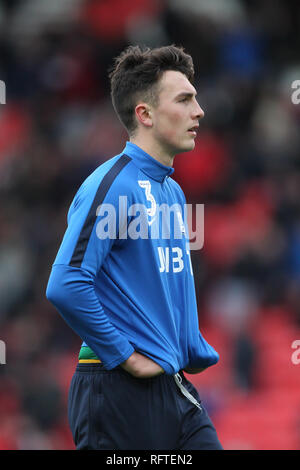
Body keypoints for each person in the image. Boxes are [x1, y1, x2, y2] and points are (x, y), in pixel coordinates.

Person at [46, 44, 222, 450]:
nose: (200, 111)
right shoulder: (111, 185)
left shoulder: (174, 192)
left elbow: (168, 281)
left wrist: (187, 347)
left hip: (172, 383)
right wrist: (124, 355)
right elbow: (66, 282)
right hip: (116, 390)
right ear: (144, 114)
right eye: (185, 99)